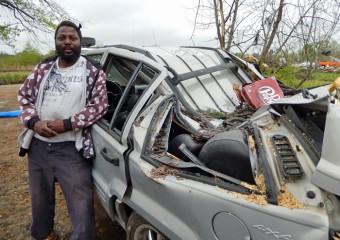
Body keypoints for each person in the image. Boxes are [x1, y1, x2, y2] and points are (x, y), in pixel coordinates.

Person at [17, 20, 108, 240]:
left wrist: (67, 124)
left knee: (81, 205)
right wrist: (34, 122)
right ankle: (45, 234)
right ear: (56, 41)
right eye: (62, 37)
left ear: (79, 42)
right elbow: (23, 97)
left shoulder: (93, 71)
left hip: (72, 149)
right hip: (38, 146)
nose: (67, 42)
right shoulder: (43, 68)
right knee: (40, 200)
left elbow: (100, 106)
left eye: (72, 38)